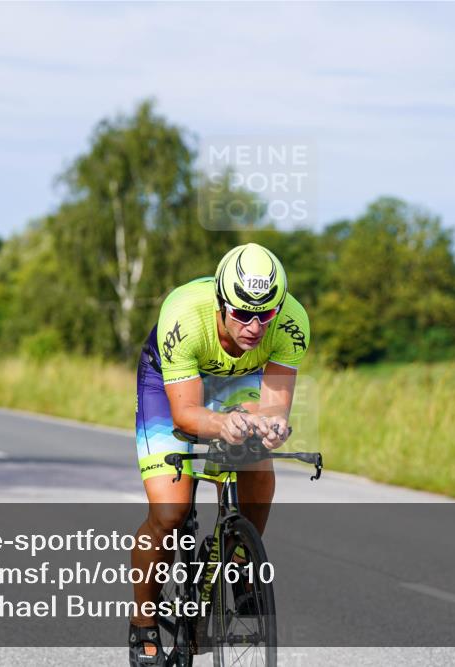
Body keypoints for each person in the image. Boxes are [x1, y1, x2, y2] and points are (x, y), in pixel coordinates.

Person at [128, 243, 310, 666]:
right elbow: (186, 414)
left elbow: (274, 408)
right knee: (170, 513)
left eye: (265, 314)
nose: (255, 327)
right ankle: (143, 621)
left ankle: (240, 560)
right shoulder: (185, 314)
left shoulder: (292, 322)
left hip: (238, 380)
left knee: (256, 462)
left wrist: (272, 425)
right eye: (243, 314)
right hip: (169, 385)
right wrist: (221, 423)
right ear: (221, 301)